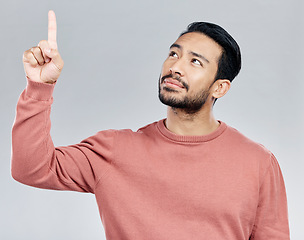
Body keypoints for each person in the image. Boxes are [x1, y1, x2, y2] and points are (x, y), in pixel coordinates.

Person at [11, 10, 290, 240]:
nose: (175, 67)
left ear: (220, 87)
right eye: (173, 54)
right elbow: (31, 168)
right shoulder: (114, 150)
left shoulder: (258, 163)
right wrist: (39, 87)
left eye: (195, 61)